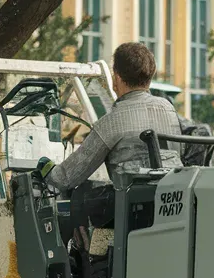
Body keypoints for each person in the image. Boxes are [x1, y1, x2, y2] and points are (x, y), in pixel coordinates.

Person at [39, 42, 183, 193]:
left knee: (81, 197)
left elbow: (66, 178)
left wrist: (45, 168)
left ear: (117, 79)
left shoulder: (112, 121)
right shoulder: (168, 109)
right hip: (171, 199)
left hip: (131, 208)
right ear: (149, 77)